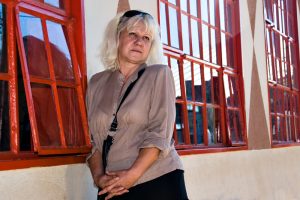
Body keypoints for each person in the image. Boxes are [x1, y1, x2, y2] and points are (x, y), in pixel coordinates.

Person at [86, 9, 188, 200]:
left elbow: (160, 134)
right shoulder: (96, 83)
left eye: (146, 38)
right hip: (112, 186)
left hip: (157, 180)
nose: (139, 42)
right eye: (132, 34)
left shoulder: (159, 74)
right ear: (117, 37)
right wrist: (99, 178)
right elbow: (93, 142)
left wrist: (132, 175)